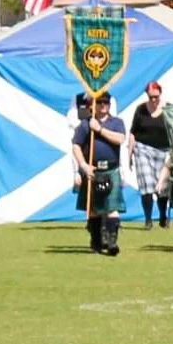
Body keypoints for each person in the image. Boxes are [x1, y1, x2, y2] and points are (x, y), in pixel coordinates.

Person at [71, 90, 126, 256]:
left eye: (106, 103)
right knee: (93, 209)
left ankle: (111, 243)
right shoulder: (85, 124)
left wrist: (100, 129)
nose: (103, 106)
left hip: (111, 168)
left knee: (112, 208)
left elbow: (120, 139)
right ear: (93, 105)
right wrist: (83, 165)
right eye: (100, 102)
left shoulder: (116, 122)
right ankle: (96, 242)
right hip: (92, 170)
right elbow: (76, 146)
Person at [127, 82, 173, 231]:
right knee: (146, 185)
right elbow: (133, 132)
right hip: (143, 149)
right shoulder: (141, 109)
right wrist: (129, 154)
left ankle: (162, 215)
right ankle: (147, 219)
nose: (154, 100)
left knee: (163, 187)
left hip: (164, 150)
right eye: (151, 97)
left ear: (161, 94)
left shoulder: (170, 109)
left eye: (156, 97)